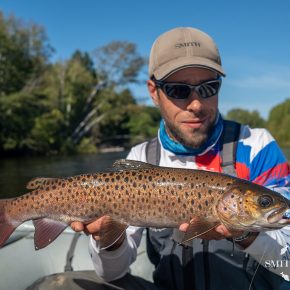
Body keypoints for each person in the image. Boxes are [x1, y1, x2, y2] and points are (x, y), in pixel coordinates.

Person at [71, 27, 290, 290]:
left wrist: (244, 234)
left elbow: (287, 264)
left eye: (208, 88)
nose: (196, 104)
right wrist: (109, 238)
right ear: (154, 92)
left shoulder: (256, 147)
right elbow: (111, 274)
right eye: (178, 90)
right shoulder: (140, 158)